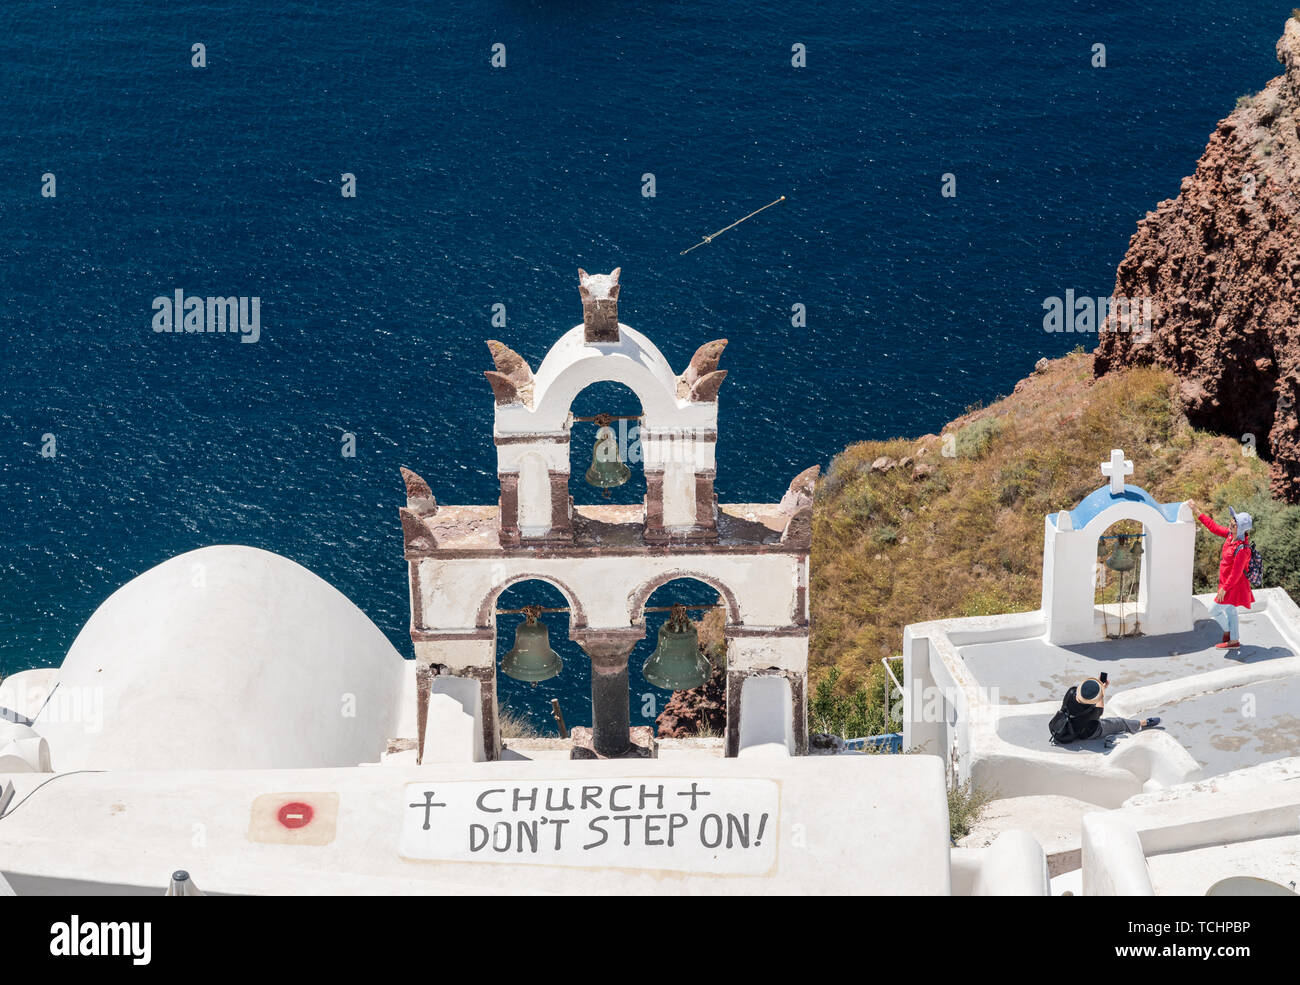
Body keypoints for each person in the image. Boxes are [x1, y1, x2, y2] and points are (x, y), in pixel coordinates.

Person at [1186, 500, 1254, 649]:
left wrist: (1224, 589)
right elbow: (1214, 527)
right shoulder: (1230, 536)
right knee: (1230, 610)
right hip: (1226, 582)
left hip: (1232, 585)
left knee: (1214, 610)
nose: (1230, 523)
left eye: (1234, 523)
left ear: (1241, 529)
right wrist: (1197, 511)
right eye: (1231, 520)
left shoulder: (1242, 549)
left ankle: (1228, 631)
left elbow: (1236, 574)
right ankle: (1234, 641)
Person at [1049, 677, 1159, 744]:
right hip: (1086, 733)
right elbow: (1100, 705)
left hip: (1064, 723)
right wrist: (1102, 689)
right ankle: (1141, 723)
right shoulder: (1094, 712)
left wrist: (1097, 689)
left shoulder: (1071, 692)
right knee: (1119, 722)